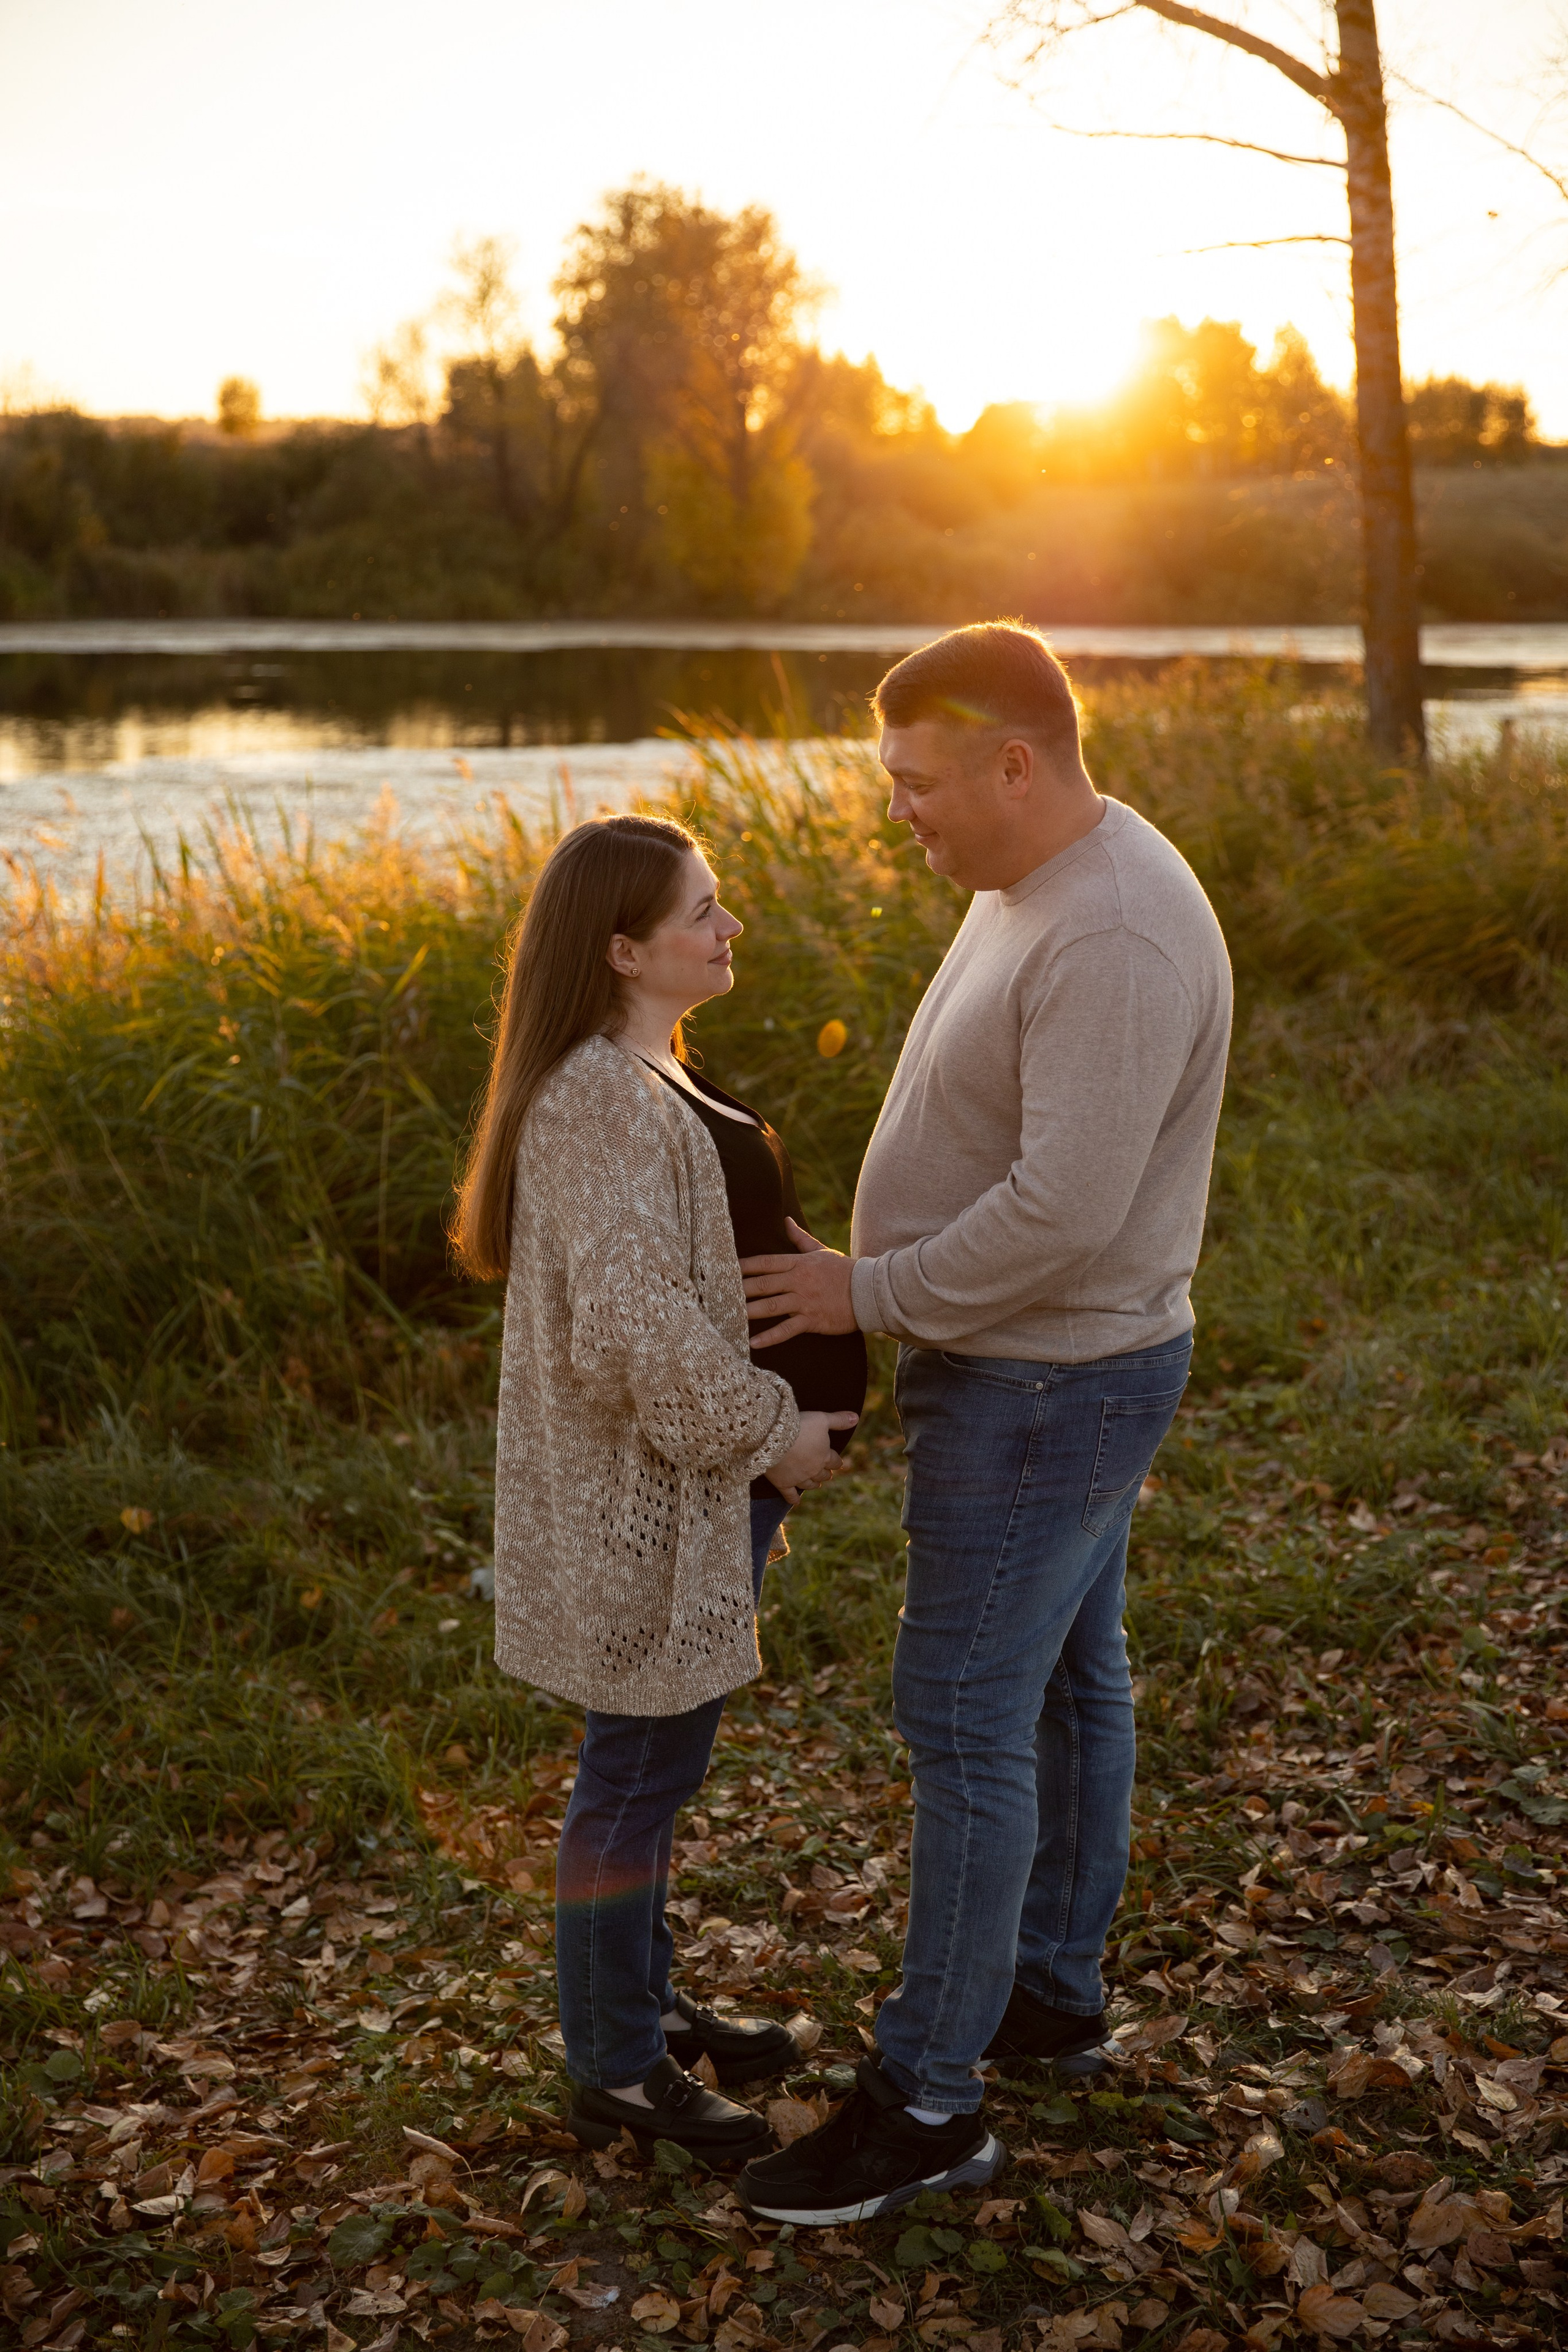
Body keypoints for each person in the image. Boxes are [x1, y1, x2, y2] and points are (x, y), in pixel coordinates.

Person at [733, 624, 1232, 2224]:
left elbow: (1064, 1214)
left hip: (1048, 1384)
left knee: (960, 1711)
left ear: (1019, 764)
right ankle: (1051, 1996)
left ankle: (931, 2097)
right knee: (1073, 1681)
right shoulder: (1036, 880)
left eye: (920, 784)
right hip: (1041, 1374)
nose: (901, 813)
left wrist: (861, 1294)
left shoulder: (1117, 936)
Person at [452, 812, 863, 2164]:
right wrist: (769, 1434)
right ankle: (615, 2067)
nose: (727, 924)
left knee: (654, 1766)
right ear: (623, 949)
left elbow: (702, 1261)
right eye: (700, 911)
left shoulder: (650, 1074)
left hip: (705, 1489)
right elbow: (633, 1328)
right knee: (631, 1774)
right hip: (661, 1490)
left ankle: (640, 2004)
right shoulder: (591, 1103)